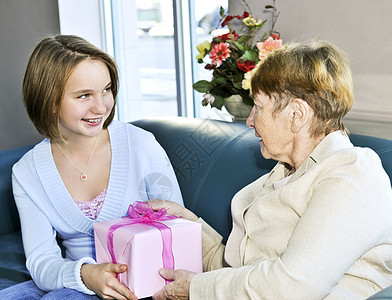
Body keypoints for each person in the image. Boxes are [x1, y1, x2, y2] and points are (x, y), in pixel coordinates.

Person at [148, 40, 392, 299]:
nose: (250, 120)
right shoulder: (283, 173)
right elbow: (239, 275)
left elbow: (293, 286)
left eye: (259, 106)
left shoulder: (351, 174)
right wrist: (186, 224)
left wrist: (194, 288)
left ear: (298, 114)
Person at [0, 34, 183, 300]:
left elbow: (178, 226)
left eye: (106, 90)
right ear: (49, 101)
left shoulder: (142, 145)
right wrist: (87, 275)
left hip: (144, 283)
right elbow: (42, 262)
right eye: (84, 95)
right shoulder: (28, 172)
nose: (101, 107)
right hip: (77, 280)